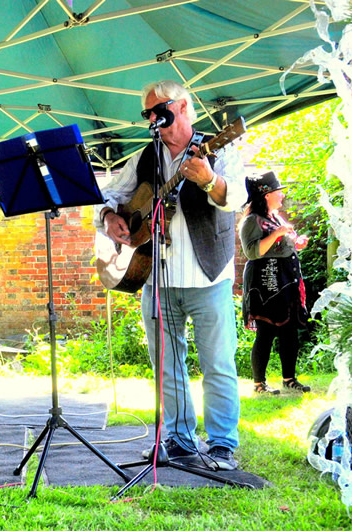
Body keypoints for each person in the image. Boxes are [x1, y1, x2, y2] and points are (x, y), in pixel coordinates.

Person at [95, 80, 247, 471]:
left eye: (157, 110)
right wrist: (111, 217)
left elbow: (238, 198)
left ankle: (221, 446)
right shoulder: (145, 158)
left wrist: (209, 179)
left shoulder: (221, 146)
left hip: (209, 277)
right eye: (147, 113)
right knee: (168, 365)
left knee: (217, 363)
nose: (151, 119)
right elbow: (109, 195)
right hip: (158, 278)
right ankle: (178, 439)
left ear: (181, 107)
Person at [239, 171, 310, 394]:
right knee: (266, 332)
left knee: (289, 332)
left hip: (286, 282)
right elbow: (252, 252)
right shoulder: (252, 221)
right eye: (278, 192)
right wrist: (278, 233)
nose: (281, 195)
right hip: (266, 285)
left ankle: (289, 378)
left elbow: (283, 246)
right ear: (266, 194)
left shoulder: (275, 217)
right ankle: (259, 384)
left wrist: (297, 243)